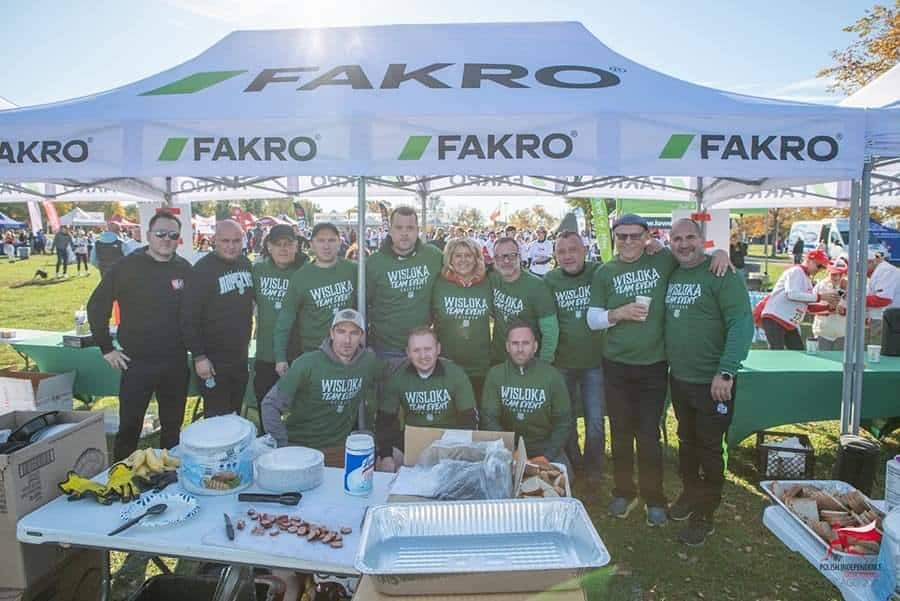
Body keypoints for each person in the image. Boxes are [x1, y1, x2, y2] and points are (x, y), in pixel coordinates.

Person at [587, 214, 730, 526]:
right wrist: (619, 314)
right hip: (616, 365)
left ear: (646, 237)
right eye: (621, 236)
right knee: (620, 432)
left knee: (648, 434)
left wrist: (720, 252)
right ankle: (624, 492)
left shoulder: (662, 260)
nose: (627, 241)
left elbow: (692, 254)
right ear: (614, 238)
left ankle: (654, 497)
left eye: (634, 236)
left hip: (653, 365)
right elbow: (592, 319)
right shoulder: (605, 271)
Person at [663, 219, 754, 546]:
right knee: (686, 440)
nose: (684, 244)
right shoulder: (673, 271)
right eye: (677, 239)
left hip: (714, 382)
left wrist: (726, 371)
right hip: (680, 379)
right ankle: (690, 494)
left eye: (690, 237)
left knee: (711, 447)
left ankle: (706, 512)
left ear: (703, 240)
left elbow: (741, 324)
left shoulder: (721, 274)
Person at [86, 211, 192, 461]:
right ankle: (121, 474)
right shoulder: (127, 266)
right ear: (148, 235)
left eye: (173, 235)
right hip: (137, 362)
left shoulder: (184, 268)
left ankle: (169, 475)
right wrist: (106, 348)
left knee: (172, 427)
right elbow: (97, 305)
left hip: (175, 361)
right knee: (130, 427)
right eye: (161, 234)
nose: (166, 239)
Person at [261, 309, 382, 465]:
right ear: (331, 333)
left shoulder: (367, 362)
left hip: (338, 448)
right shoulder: (307, 363)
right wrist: (281, 446)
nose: (347, 340)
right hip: (300, 447)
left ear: (362, 336)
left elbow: (394, 371)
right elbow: (270, 404)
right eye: (341, 331)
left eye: (354, 333)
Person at [545, 231, 605, 483]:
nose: (568, 256)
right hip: (562, 362)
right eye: (561, 251)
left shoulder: (599, 272)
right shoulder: (550, 280)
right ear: (555, 256)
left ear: (585, 251)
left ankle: (593, 468)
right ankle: (574, 463)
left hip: (594, 363)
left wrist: (652, 243)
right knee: (566, 419)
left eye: (573, 250)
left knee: (595, 420)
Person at [376, 328, 478, 471]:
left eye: (428, 349)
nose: (423, 356)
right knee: (383, 463)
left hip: (448, 443)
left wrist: (455, 450)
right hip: (413, 441)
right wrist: (386, 455)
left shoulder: (456, 374)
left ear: (438, 349)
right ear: (408, 353)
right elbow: (384, 420)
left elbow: (469, 418)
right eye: (416, 350)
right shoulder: (398, 378)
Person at [182, 219, 255, 417]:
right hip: (213, 359)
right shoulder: (202, 269)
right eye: (225, 241)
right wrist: (199, 357)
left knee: (235, 413)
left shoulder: (245, 263)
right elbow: (189, 317)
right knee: (217, 417)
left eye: (236, 241)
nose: (231, 246)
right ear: (214, 240)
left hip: (239, 356)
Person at [481, 321, 571, 469]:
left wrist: (547, 456)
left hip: (544, 446)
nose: (520, 349)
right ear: (507, 347)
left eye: (525, 343)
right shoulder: (495, 375)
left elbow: (564, 422)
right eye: (515, 343)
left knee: (562, 476)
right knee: (492, 476)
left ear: (535, 347)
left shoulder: (552, 376)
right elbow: (489, 419)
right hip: (507, 446)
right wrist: (512, 450)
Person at [273, 223, 357, 374]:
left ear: (340, 243)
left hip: (348, 352)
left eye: (331, 240)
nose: (326, 246)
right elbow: (286, 318)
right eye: (321, 241)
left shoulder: (353, 270)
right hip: (314, 352)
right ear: (311, 244)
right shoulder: (301, 277)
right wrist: (280, 357)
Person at [366, 206, 443, 362]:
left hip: (423, 348)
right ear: (390, 230)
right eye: (399, 227)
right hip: (386, 349)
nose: (404, 233)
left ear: (418, 230)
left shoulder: (433, 256)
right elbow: (363, 304)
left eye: (410, 228)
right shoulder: (374, 263)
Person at [251, 225, 306, 431]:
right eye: (278, 244)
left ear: (296, 246)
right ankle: (269, 442)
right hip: (266, 353)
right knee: (266, 406)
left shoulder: (305, 271)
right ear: (269, 246)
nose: (284, 249)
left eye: (288, 244)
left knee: (299, 410)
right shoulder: (258, 270)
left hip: (297, 352)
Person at [431, 237, 493, 399]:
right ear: (450, 258)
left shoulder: (488, 283)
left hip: (480, 366)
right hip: (446, 365)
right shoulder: (438, 283)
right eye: (458, 255)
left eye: (468, 255)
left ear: (476, 258)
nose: (463, 260)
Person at [489, 237, 558, 365]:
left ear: (520, 257)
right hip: (498, 358)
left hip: (527, 361)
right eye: (500, 257)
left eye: (512, 255)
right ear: (494, 260)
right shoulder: (492, 279)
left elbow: (551, 331)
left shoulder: (537, 286)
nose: (506, 261)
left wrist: (543, 364)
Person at [759, 249, 837, 350]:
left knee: (797, 350)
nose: (819, 270)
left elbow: (808, 307)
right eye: (819, 266)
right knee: (777, 352)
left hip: (788, 322)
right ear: (809, 260)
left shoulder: (807, 279)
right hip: (776, 318)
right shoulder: (796, 271)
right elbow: (792, 294)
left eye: (822, 268)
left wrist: (828, 308)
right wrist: (820, 297)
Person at [865, 249, 900, 345]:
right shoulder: (877, 272)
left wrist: (855, 300)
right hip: (881, 320)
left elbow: (883, 299)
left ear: (871, 262)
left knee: (880, 351)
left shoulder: (885, 270)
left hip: (886, 321)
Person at [812, 259, 848, 351]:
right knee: (822, 358)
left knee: (842, 359)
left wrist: (844, 311)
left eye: (840, 274)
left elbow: (857, 309)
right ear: (828, 272)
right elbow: (811, 308)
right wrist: (829, 309)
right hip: (823, 332)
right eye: (833, 274)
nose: (837, 277)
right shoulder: (820, 286)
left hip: (843, 333)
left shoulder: (850, 286)